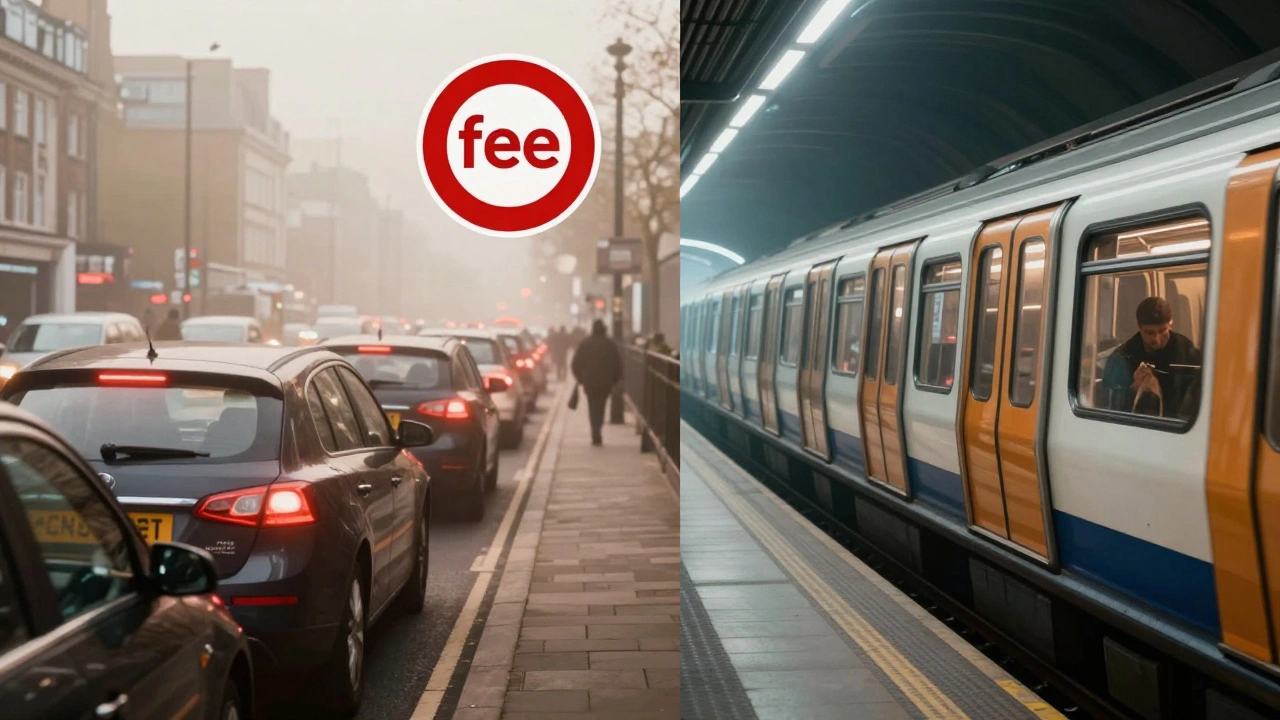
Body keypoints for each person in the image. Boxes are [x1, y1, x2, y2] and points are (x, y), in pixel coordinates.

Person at [1102, 296, 1201, 418]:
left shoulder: (1189, 355)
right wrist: (1132, 389)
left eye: (1162, 331)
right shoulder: (1121, 359)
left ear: (1170, 324)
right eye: (1149, 333)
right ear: (1139, 327)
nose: (1156, 339)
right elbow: (1108, 408)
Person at [571, 319, 622, 446]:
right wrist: (615, 380)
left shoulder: (585, 343)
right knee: (601, 406)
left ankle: (595, 431)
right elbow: (618, 364)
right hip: (605, 382)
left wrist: (580, 378)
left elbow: (575, 364)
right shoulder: (610, 344)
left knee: (592, 407)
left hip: (590, 382)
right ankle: (598, 428)